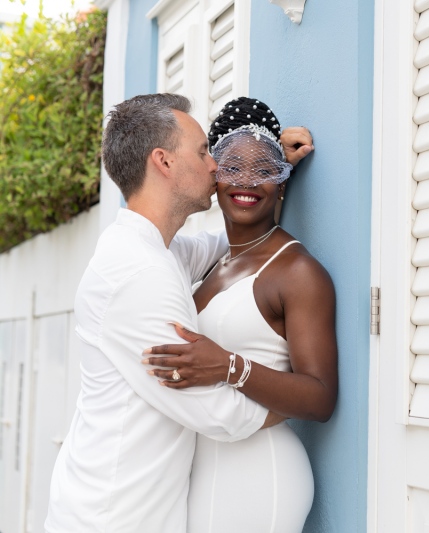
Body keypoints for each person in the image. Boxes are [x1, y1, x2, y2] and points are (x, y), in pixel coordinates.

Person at [44, 94, 313, 533]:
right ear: (164, 162)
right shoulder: (139, 273)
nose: (215, 166)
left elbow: (231, 246)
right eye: (205, 151)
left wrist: (266, 170)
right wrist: (299, 401)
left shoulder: (151, 250)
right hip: (113, 518)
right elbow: (215, 413)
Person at [140, 97, 338, 532]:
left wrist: (228, 366)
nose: (247, 181)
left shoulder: (297, 272)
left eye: (264, 169)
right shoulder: (215, 261)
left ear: (283, 182)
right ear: (213, 177)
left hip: (260, 472)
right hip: (203, 472)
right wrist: (266, 154)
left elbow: (320, 397)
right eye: (232, 167)